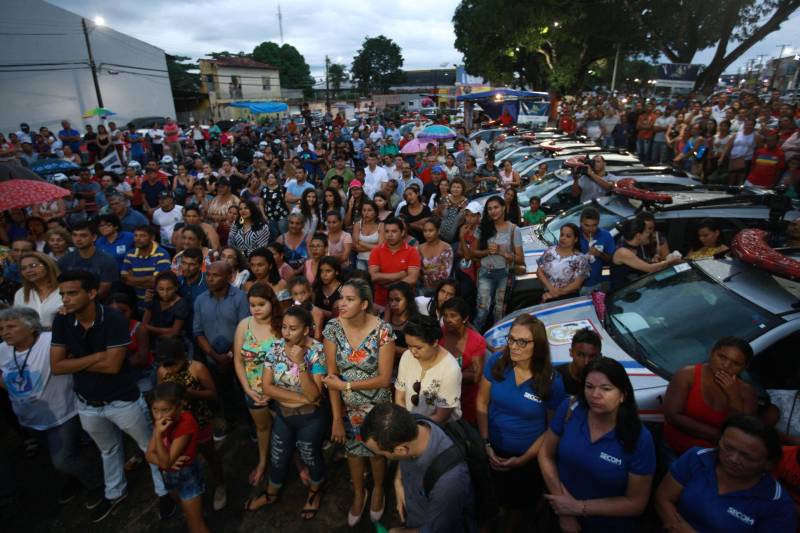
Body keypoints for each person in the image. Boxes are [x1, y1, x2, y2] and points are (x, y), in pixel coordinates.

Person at [50, 270, 175, 522]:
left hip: (123, 400)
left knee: (149, 446)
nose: (66, 299)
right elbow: (56, 366)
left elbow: (113, 366)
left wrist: (77, 361)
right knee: (107, 450)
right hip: (87, 403)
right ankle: (114, 492)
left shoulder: (114, 318)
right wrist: (97, 356)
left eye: (73, 293)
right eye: (62, 294)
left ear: (92, 293)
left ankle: (165, 491)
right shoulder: (62, 320)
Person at [540, 357, 656, 533]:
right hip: (558, 514)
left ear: (623, 395)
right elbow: (545, 454)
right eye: (589, 387)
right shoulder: (570, 409)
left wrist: (578, 507)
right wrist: (564, 509)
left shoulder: (639, 439)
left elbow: (636, 502)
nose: (595, 395)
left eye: (606, 389)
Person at [0, 307, 101, 505]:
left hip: (62, 413)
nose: (5, 332)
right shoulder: (2, 350)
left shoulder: (51, 341)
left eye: (11, 326)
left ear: (31, 328)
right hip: (29, 418)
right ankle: (75, 478)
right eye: (2, 328)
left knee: (62, 460)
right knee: (63, 456)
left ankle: (98, 484)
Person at [476, 314, 566, 532]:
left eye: (522, 342)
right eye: (511, 339)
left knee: (516, 510)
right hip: (492, 450)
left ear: (539, 345)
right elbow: (481, 402)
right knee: (490, 502)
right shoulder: (496, 363)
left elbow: (551, 429)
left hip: (527, 459)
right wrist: (486, 443)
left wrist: (523, 459)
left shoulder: (552, 382)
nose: (514, 346)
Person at [321, 278, 395, 526]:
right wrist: (335, 419)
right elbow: (331, 378)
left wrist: (347, 385)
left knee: (375, 451)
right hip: (348, 407)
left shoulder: (383, 330)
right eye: (341, 298)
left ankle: (377, 489)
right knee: (352, 451)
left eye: (349, 299)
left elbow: (384, 379)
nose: (341, 303)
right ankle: (358, 492)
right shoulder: (332, 329)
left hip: (377, 405)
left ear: (364, 304)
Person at [246, 306, 328, 520]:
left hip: (310, 420)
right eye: (284, 327)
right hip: (284, 416)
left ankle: (315, 492)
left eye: (292, 328)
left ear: (306, 330)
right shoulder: (274, 348)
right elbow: (266, 387)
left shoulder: (317, 350)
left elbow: (314, 393)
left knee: (312, 457)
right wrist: (303, 399)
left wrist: (300, 363)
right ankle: (271, 494)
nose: (286, 333)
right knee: (278, 457)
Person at [656, 415, 796, 532]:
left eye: (747, 456)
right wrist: (675, 527)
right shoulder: (696, 458)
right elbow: (664, 498)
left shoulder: (776, 504)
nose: (734, 459)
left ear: (768, 463)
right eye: (728, 447)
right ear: (719, 440)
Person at [362, 403, 477, 533]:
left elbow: (436, 530)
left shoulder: (449, 483)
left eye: (382, 454)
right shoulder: (413, 425)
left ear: (401, 450)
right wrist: (398, 481)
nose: (381, 456)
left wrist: (398, 532)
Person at [155, 337, 226, 511]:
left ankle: (221, 484)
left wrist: (189, 393)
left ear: (183, 357)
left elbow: (212, 394)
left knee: (209, 453)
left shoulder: (197, 368)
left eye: (172, 363)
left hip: (199, 420)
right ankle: (193, 492)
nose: (169, 368)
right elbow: (160, 397)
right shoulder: (162, 371)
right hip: (176, 425)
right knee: (185, 458)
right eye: (165, 364)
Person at [663, 337, 759, 458]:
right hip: (674, 451)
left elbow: (742, 431)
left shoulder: (747, 392)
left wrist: (733, 396)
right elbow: (673, 416)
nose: (726, 365)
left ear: (744, 367)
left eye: (736, 363)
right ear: (712, 352)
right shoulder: (687, 375)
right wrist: (719, 435)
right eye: (722, 357)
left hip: (716, 459)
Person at [192, 261, 249, 440]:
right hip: (213, 358)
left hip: (239, 357)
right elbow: (198, 331)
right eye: (208, 274)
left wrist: (229, 355)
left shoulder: (240, 298)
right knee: (222, 392)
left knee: (245, 391)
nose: (210, 278)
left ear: (229, 277)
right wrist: (214, 356)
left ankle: (253, 426)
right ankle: (230, 422)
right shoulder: (200, 299)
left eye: (215, 275)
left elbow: (244, 329)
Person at [233, 283, 281, 487]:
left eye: (261, 304)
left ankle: (298, 463)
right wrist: (247, 389)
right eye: (252, 305)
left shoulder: (281, 326)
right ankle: (263, 462)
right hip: (253, 392)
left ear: (272, 303)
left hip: (281, 392)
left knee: (285, 430)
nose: (256, 309)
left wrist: (272, 392)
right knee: (262, 428)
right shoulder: (244, 325)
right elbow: (238, 360)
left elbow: (290, 363)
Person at [145, 383, 211, 533]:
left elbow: (163, 461)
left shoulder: (185, 424)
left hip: (187, 475)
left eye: (165, 410)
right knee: (188, 515)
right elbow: (149, 455)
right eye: (155, 410)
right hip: (169, 475)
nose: (159, 416)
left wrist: (157, 434)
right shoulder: (162, 423)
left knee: (196, 525)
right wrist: (167, 463)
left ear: (180, 406)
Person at [395, 315, 462, 422]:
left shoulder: (450, 369)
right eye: (409, 345)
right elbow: (400, 398)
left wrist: (412, 425)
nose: (412, 351)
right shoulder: (407, 356)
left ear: (435, 342)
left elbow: (441, 417)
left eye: (418, 347)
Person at [472, 196, 523, 332]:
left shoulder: (514, 230)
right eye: (489, 209)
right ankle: (473, 340)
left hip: (504, 274)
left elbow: (520, 259)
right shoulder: (482, 228)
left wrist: (503, 252)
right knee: (482, 310)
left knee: (499, 312)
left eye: (496, 207)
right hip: (485, 273)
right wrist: (487, 251)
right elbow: (473, 253)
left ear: (503, 207)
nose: (493, 211)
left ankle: (496, 341)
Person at [439, 297, 485, 425]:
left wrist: (443, 375)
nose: (447, 320)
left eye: (453, 315)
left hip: (465, 400)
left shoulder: (477, 341)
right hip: (439, 399)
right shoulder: (438, 334)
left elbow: (476, 376)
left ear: (465, 318)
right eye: (445, 316)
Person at [610, 218, 682, 290]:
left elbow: (645, 264)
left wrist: (653, 260)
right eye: (646, 232)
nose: (649, 234)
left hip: (640, 287)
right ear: (638, 236)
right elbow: (650, 268)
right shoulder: (623, 252)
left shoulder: (639, 245)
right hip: (624, 293)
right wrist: (670, 261)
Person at [368, 218, 421, 310]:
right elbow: (373, 277)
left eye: (394, 231)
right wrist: (399, 275)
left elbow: (412, 279)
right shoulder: (376, 251)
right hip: (380, 302)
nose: (390, 235)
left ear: (402, 232)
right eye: (387, 231)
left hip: (404, 302)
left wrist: (389, 286)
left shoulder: (412, 251)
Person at [57, 221, 119, 300]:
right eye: (75, 235)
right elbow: (61, 286)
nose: (78, 239)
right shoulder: (64, 260)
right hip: (71, 301)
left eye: (83, 235)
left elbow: (104, 290)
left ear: (94, 237)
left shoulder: (107, 260)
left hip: (99, 303)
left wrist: (82, 302)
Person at [121, 225, 172, 313]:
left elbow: (158, 283)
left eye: (142, 236)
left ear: (152, 237)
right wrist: (149, 278)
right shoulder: (130, 254)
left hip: (158, 305)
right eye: (136, 235)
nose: (137, 238)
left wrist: (132, 279)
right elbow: (124, 279)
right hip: (136, 303)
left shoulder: (162, 254)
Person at [537, 223, 590, 302]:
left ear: (575, 239)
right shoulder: (550, 251)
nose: (563, 238)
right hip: (547, 294)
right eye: (562, 235)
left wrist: (557, 293)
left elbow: (576, 284)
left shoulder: (581, 259)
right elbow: (539, 271)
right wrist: (551, 289)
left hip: (568, 299)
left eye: (568, 236)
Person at [14, 252, 62, 329]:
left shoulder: (65, 289)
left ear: (47, 266)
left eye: (33, 266)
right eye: (23, 268)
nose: (28, 271)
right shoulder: (21, 293)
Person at [142, 270, 190, 344]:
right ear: (156, 288)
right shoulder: (153, 299)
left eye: (169, 289)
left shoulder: (181, 304)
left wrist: (150, 328)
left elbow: (175, 332)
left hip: (173, 343)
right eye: (161, 289)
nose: (165, 293)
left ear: (176, 287)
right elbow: (144, 324)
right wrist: (167, 330)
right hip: (152, 341)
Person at [556, 327, 602, 395]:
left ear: (600, 356)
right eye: (581, 355)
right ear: (571, 352)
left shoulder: (607, 379)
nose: (586, 362)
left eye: (592, 356)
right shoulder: (554, 377)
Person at [418, 217, 454, 294]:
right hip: (421, 287)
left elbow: (445, 274)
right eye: (425, 231)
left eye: (431, 230)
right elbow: (417, 271)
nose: (427, 234)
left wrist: (425, 272)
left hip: (441, 289)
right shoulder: (419, 248)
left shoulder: (446, 248)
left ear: (438, 231)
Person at [353, 200, 384, 271]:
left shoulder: (381, 225)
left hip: (376, 260)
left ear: (375, 212)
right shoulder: (357, 225)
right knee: (361, 280)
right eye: (364, 210)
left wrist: (361, 243)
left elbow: (381, 247)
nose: (366, 213)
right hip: (360, 259)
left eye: (369, 210)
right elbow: (355, 246)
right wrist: (375, 247)